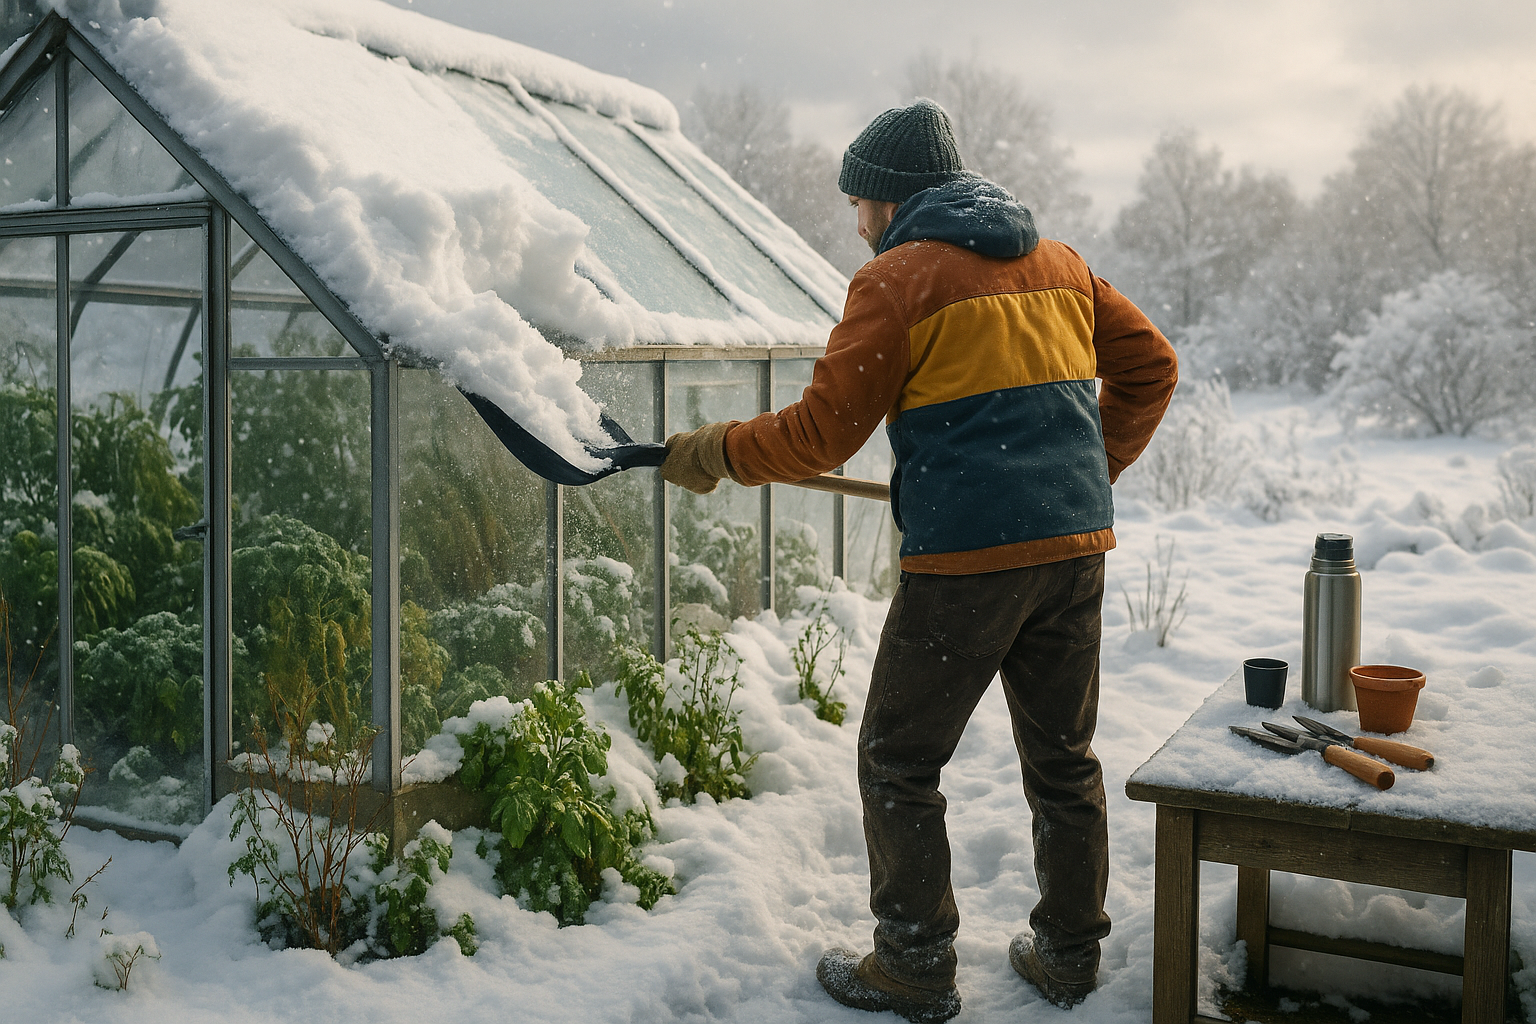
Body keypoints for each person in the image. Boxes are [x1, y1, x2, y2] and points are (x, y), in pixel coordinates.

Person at [661, 98, 1177, 1022]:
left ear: (892, 200)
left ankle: (913, 964)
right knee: (1064, 760)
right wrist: (1087, 469)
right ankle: (1068, 954)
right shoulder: (1060, 264)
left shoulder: (899, 280)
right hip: (1073, 555)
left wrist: (712, 452)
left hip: (967, 572)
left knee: (898, 758)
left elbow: (821, 432)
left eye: (859, 202)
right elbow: (1152, 368)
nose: (855, 223)